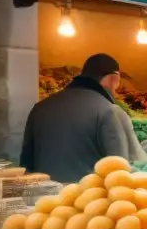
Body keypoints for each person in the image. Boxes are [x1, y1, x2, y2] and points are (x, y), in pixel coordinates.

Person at [20, 54, 130, 183]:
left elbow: (26, 163)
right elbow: (119, 169)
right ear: (112, 78)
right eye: (118, 82)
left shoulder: (41, 107)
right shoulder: (107, 110)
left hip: (43, 197)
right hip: (84, 198)